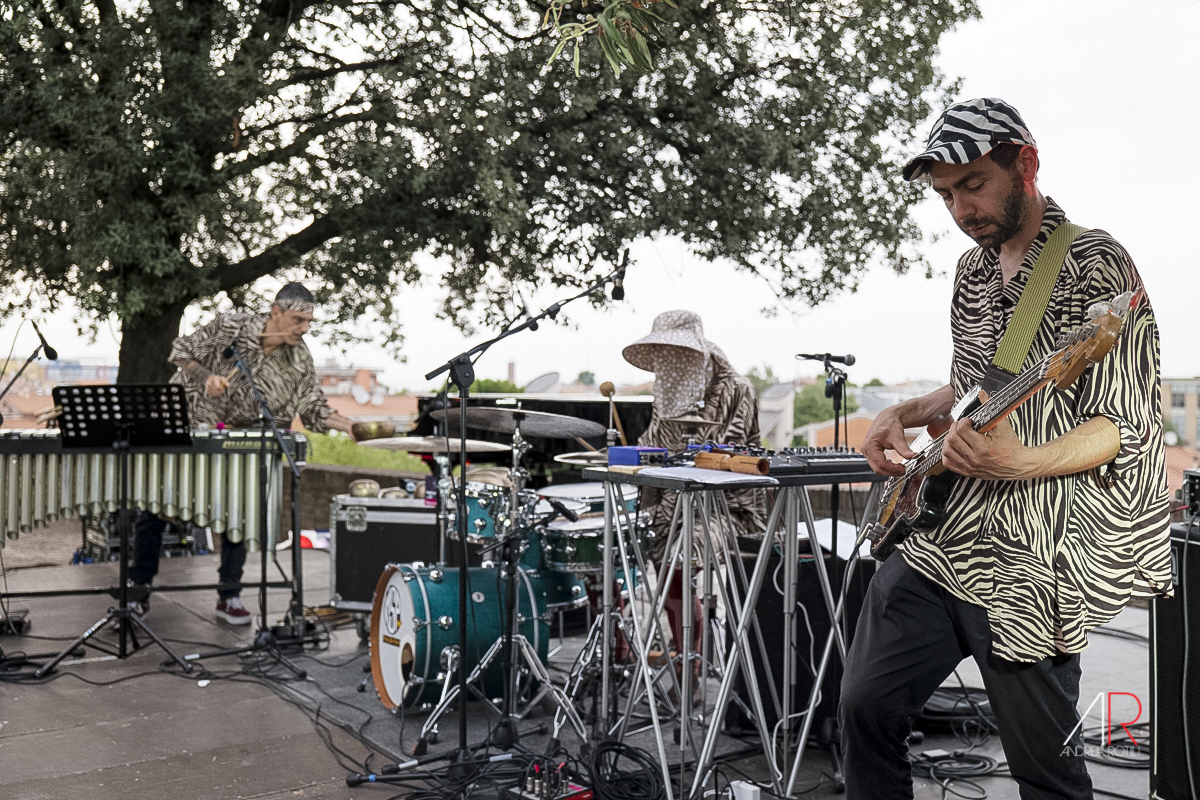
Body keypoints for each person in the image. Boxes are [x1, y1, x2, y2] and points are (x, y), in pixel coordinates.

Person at [843, 98, 1171, 799]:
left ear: (1024, 162)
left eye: (974, 185)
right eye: (946, 195)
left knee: (1044, 773)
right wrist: (900, 411)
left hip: (1033, 555)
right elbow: (972, 388)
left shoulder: (1097, 262)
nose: (961, 209)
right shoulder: (970, 270)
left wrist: (1016, 462)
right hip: (939, 534)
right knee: (862, 706)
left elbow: (1124, 422)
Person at [127, 283, 356, 624]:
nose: (304, 328)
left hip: (241, 444)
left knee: (237, 514)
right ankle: (138, 590)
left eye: (309, 321)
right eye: (297, 320)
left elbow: (312, 406)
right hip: (190, 429)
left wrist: (345, 423)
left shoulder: (299, 359)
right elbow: (181, 350)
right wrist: (206, 377)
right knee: (157, 508)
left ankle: (229, 596)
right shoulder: (230, 326)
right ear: (275, 312)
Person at [622, 310, 765, 655]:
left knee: (681, 556)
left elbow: (727, 461)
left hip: (729, 508)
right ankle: (668, 644)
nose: (668, 368)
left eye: (677, 357)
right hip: (675, 505)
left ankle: (693, 663)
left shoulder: (737, 390)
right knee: (633, 542)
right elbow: (653, 447)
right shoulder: (669, 392)